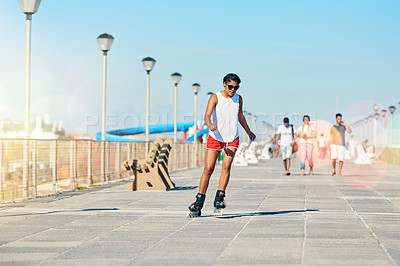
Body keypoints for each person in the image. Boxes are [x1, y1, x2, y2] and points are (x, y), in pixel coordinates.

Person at [187, 73, 256, 218]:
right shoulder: (215, 97)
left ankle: (219, 198)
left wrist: (249, 131)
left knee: (226, 167)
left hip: (232, 138)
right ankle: (199, 201)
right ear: (224, 84)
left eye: (236, 88)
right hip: (216, 137)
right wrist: (210, 124)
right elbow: (206, 115)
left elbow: (240, 116)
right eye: (230, 87)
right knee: (208, 169)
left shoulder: (238, 99)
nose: (233, 90)